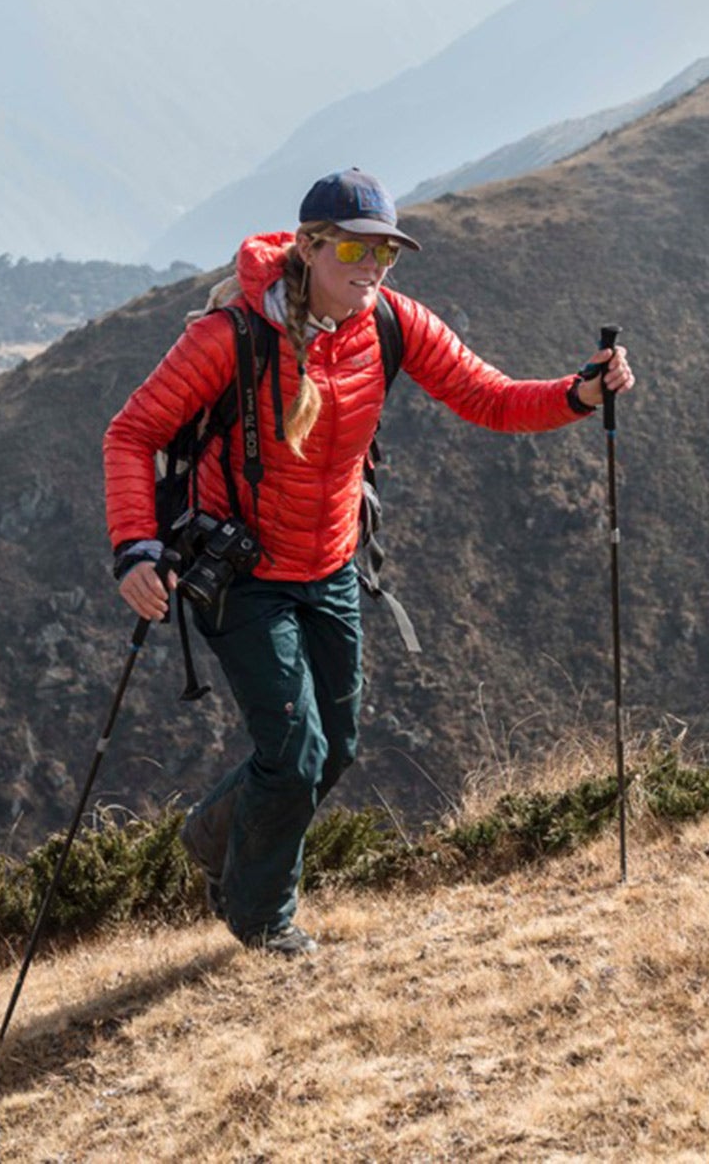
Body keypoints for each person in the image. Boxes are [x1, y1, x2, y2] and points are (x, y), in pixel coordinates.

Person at [102, 168, 634, 956]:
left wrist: (579, 396)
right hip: (242, 576)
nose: (373, 267)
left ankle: (214, 835)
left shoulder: (389, 322)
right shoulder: (231, 335)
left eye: (387, 252)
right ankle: (262, 921)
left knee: (335, 747)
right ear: (310, 246)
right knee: (294, 754)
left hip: (331, 565)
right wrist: (135, 551)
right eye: (355, 248)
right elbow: (131, 433)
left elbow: (484, 395)